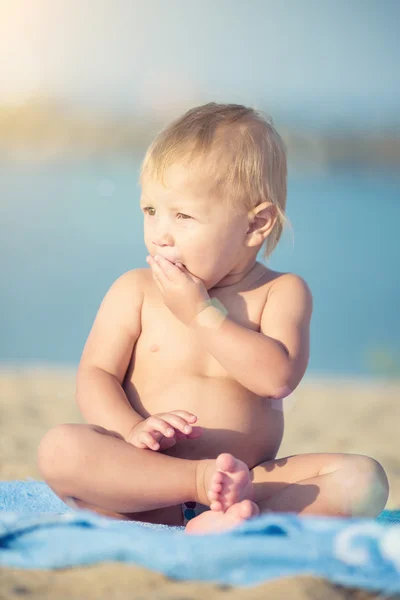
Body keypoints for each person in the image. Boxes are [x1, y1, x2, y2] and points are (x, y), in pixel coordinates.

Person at [37, 103, 389, 534]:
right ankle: (196, 492)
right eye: (150, 211)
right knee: (60, 448)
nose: (159, 232)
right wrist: (131, 429)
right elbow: (95, 374)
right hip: (145, 478)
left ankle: (243, 521)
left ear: (255, 225)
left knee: (363, 479)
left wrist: (202, 313)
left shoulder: (280, 292)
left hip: (245, 480)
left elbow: (277, 378)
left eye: (183, 216)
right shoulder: (135, 289)